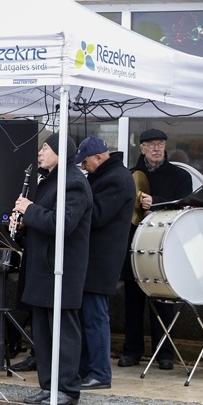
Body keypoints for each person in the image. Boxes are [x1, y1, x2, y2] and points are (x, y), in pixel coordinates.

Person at [11, 133, 92, 405]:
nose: (40, 153)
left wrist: (29, 209)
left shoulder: (74, 183)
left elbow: (63, 224)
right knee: (43, 333)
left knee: (63, 332)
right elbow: (42, 220)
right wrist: (23, 224)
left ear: (61, 151)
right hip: (42, 268)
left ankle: (67, 388)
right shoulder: (51, 181)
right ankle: (48, 385)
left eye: (45, 148)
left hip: (62, 270)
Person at [119, 129, 192, 370]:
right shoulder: (129, 175)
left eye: (160, 144)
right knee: (133, 302)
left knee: (164, 302)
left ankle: (165, 353)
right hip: (135, 245)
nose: (156, 148)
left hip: (165, 246)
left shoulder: (179, 175)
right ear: (141, 148)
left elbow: (184, 204)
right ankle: (132, 351)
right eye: (151, 145)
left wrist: (156, 201)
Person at [75, 136, 135, 389]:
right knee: (89, 316)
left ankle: (100, 373)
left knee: (95, 317)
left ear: (99, 157)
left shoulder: (116, 179)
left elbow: (97, 216)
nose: (83, 167)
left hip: (101, 260)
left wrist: (76, 201)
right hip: (95, 258)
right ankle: (87, 369)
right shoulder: (108, 176)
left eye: (86, 162)